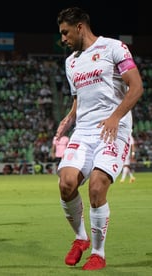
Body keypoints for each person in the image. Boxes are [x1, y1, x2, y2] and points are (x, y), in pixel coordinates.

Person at [55, 7, 144, 270]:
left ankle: (98, 253)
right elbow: (79, 97)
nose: (62, 38)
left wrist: (115, 117)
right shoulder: (71, 62)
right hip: (83, 130)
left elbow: (136, 86)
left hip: (113, 129)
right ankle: (80, 238)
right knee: (66, 183)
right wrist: (69, 117)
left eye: (65, 32)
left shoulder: (114, 48)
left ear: (80, 27)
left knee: (96, 187)